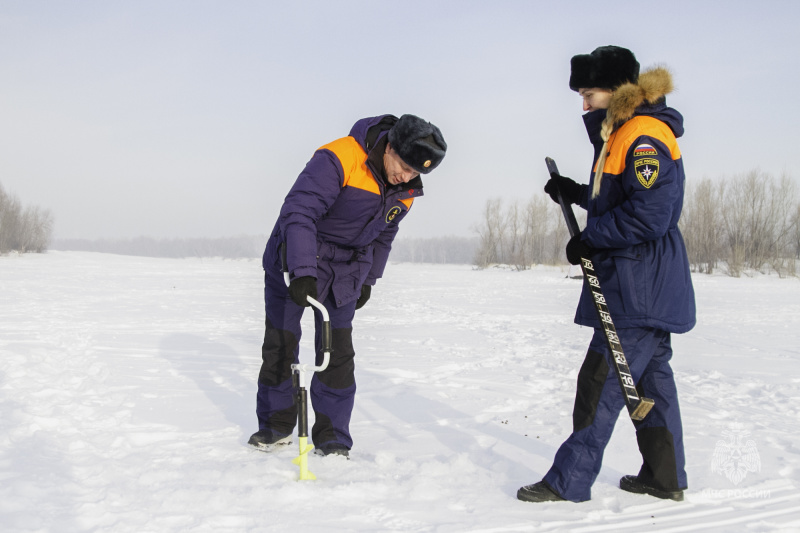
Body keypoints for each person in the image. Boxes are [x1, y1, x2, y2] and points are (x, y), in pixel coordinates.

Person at [518, 46, 696, 502]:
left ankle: (569, 481)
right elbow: (623, 202)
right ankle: (664, 476)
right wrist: (577, 192)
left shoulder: (642, 136)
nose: (583, 104)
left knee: (600, 382)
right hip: (641, 283)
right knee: (652, 384)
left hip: (638, 287)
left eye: (589, 93)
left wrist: (591, 238)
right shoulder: (619, 135)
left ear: (616, 90)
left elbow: (650, 215)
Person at [249, 114, 447, 457]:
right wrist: (302, 270)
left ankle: (332, 436)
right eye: (403, 165)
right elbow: (298, 212)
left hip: (345, 270)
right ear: (390, 147)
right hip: (294, 257)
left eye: (416, 173)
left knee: (337, 354)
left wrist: (369, 279)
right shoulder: (339, 158)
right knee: (281, 342)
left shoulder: (406, 190)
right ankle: (276, 425)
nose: (406, 176)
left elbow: (384, 236)